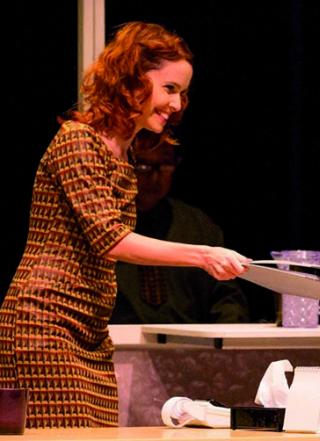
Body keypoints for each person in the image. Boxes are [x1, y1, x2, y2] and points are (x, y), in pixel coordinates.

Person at [0, 22, 249, 428]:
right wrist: (203, 255)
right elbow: (110, 239)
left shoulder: (124, 155)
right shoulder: (77, 141)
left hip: (91, 329)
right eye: (170, 88)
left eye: (183, 93)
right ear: (133, 80)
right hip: (47, 324)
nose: (177, 104)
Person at [110, 138, 249, 324]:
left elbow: (226, 298)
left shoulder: (196, 225)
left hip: (187, 339)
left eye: (165, 166)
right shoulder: (105, 223)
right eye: (143, 167)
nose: (155, 178)